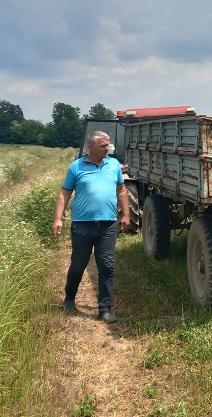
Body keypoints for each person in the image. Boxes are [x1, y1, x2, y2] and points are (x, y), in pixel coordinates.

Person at [53, 131, 130, 324]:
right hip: (82, 225)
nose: (108, 149)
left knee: (107, 266)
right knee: (78, 265)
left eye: (108, 145)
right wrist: (58, 218)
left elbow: (121, 190)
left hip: (108, 225)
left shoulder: (113, 165)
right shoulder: (76, 167)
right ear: (90, 147)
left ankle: (104, 309)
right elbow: (64, 193)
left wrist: (126, 215)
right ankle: (69, 299)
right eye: (103, 146)